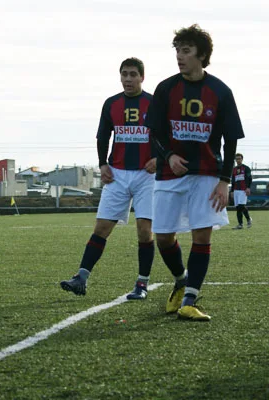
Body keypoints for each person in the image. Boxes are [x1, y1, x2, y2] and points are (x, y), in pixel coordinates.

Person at [145, 24, 244, 321]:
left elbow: (231, 140)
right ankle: (181, 279)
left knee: (202, 237)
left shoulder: (220, 91)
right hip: (169, 174)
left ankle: (190, 299)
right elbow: (155, 134)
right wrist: (170, 155)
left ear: (201, 54)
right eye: (177, 50)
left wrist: (225, 181)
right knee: (162, 236)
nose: (179, 56)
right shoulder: (165, 89)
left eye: (186, 51)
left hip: (207, 174)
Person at [60, 58, 156, 300]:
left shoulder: (155, 103)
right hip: (118, 173)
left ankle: (142, 285)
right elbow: (103, 136)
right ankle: (80, 277)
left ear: (142, 77)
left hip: (148, 175)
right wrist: (103, 163)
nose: (128, 79)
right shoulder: (112, 104)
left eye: (133, 74)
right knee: (101, 228)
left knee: (145, 231)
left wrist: (160, 160)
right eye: (124, 74)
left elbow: (167, 136)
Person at [230, 153, 252, 229]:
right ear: (235, 160)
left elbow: (249, 178)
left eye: (239, 158)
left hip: (243, 190)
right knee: (238, 207)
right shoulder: (234, 169)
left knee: (241, 206)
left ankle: (241, 224)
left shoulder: (246, 168)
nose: (238, 160)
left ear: (242, 159)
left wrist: (248, 187)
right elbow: (233, 181)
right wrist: (232, 191)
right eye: (237, 159)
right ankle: (247, 220)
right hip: (236, 190)